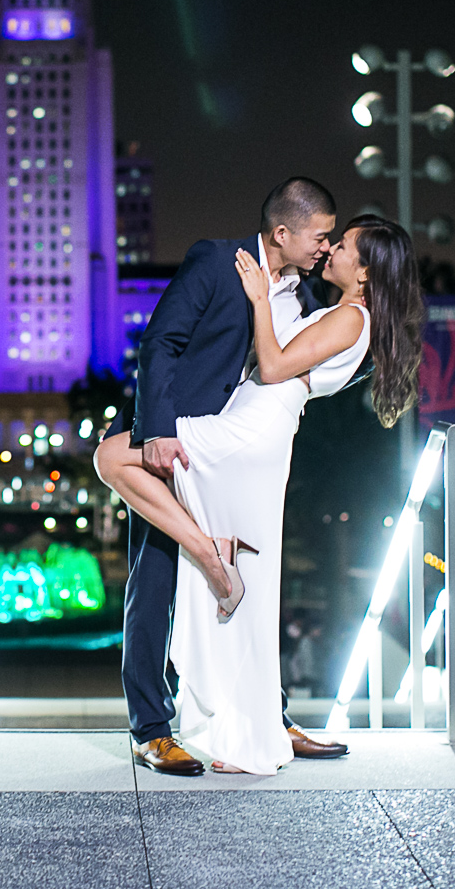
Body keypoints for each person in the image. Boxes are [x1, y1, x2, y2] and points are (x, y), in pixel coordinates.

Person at [94, 177, 357, 776]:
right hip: (170, 441)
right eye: (320, 236)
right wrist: (157, 430)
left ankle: (270, 721)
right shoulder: (216, 260)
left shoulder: (305, 295)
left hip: (232, 455)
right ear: (282, 231)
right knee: (155, 576)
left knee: (258, 581)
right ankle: (151, 731)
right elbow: (160, 344)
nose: (326, 246)